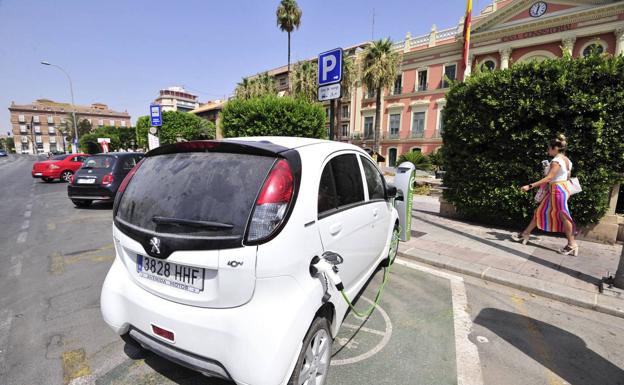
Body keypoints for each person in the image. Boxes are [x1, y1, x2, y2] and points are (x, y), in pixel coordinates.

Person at [511, 134, 578, 256]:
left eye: (549, 148)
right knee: (540, 211)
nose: (548, 150)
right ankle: (525, 234)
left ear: (555, 148)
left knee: (564, 216)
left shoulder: (556, 161)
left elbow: (549, 178)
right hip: (562, 189)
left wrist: (529, 186)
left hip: (557, 190)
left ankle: (571, 244)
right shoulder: (567, 160)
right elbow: (565, 176)